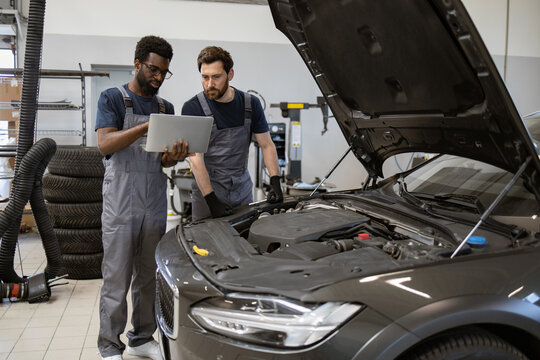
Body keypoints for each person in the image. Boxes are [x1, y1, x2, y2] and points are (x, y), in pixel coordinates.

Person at [95, 35, 188, 360]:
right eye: (153, 69)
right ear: (137, 64)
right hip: (121, 200)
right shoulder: (112, 99)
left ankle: (141, 337)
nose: (158, 77)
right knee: (117, 278)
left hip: (153, 197)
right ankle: (109, 346)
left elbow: (162, 160)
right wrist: (145, 127)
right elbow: (105, 144)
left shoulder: (167, 108)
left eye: (164, 72)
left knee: (148, 276)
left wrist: (175, 155)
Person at [182, 46, 283, 221]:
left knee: (245, 241)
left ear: (230, 74)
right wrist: (211, 200)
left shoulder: (251, 105)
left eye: (216, 77)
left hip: (242, 190)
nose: (209, 84)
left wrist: (275, 181)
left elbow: (266, 145)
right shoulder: (193, 107)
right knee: (207, 245)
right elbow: (195, 158)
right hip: (208, 193)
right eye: (205, 77)